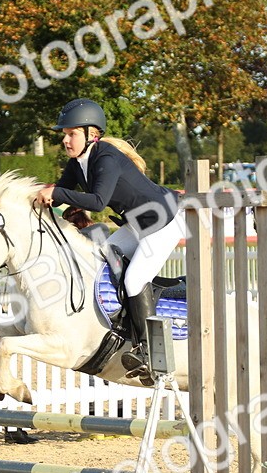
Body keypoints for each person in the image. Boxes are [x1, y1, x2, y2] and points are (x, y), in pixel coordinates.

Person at [36, 98, 184, 382]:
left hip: (163, 223)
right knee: (103, 258)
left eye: (72, 134)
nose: (66, 140)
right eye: (64, 135)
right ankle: (121, 327)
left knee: (133, 280)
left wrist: (58, 194)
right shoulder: (77, 163)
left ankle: (147, 352)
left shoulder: (106, 157)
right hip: (136, 224)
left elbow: (97, 201)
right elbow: (61, 191)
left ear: (92, 134)